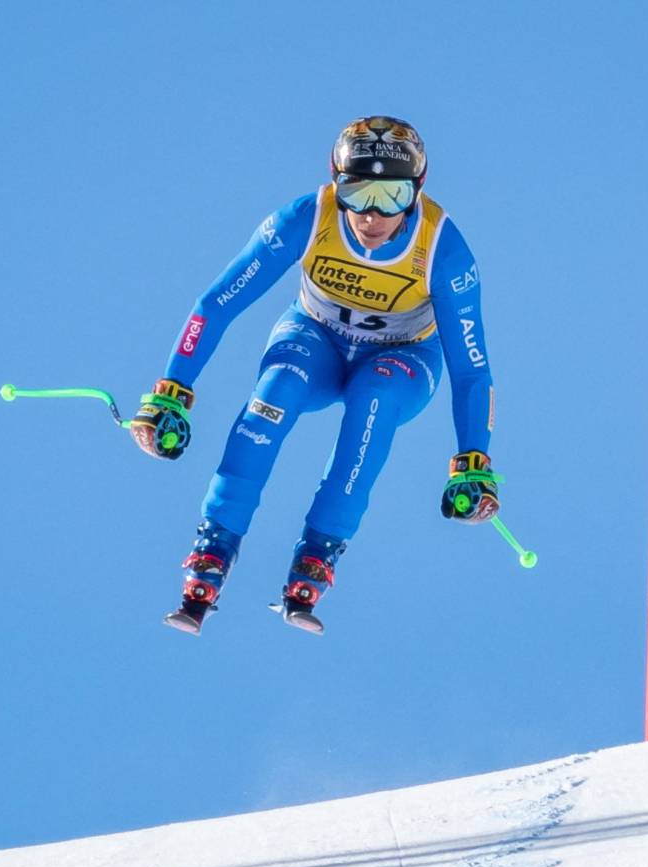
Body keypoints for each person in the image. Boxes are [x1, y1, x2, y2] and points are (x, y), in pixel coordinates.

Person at [131, 115, 498, 636]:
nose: (372, 214)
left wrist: (473, 459)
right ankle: (214, 546)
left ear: (416, 191)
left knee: (375, 398)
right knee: (279, 386)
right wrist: (172, 390)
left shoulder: (443, 249)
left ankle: (318, 553)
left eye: (391, 196)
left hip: (402, 358)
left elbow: (472, 369)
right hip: (315, 341)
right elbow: (215, 304)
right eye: (357, 190)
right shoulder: (308, 217)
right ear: (334, 181)